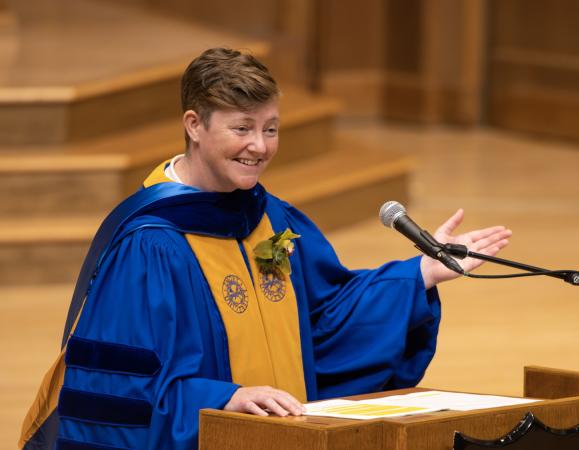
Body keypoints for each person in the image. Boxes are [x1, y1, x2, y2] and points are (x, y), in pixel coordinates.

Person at [19, 47, 511, 449]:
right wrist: (224, 399)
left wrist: (420, 274)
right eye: (242, 128)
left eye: (270, 128)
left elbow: (325, 320)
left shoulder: (269, 218)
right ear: (194, 125)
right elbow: (120, 394)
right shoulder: (150, 245)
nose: (260, 146)